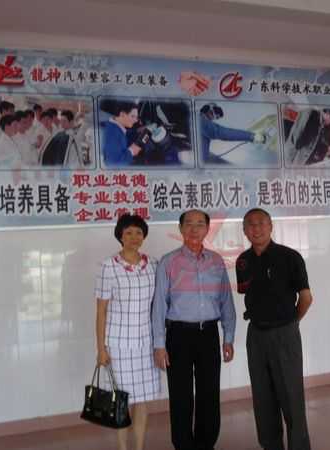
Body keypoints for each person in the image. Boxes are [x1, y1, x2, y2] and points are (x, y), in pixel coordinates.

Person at [152, 209, 236, 450]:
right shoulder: (168, 261)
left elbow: (226, 301)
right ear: (180, 229)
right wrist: (159, 345)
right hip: (178, 335)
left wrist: (228, 337)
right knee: (180, 395)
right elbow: (159, 305)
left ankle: (206, 443)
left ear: (207, 229)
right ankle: (183, 444)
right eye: (188, 224)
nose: (194, 229)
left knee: (209, 393)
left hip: (208, 334)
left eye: (200, 224)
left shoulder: (216, 261)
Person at [235, 208, 313, 450]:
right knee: (262, 396)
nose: (256, 228)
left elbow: (306, 298)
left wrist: (291, 323)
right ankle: (271, 445)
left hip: (284, 333)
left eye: (261, 223)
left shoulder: (290, 257)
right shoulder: (243, 261)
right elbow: (247, 293)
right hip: (256, 335)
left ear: (271, 226)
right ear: (244, 230)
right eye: (250, 224)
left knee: (291, 396)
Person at [95, 214, 161, 450]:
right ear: (120, 236)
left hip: (146, 344)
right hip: (119, 345)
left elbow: (159, 305)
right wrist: (101, 349)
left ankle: (139, 447)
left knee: (142, 401)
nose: (134, 237)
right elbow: (101, 310)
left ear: (144, 236)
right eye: (129, 233)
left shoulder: (153, 265)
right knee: (120, 402)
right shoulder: (108, 266)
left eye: (139, 233)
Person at [199, 103, 265, 164]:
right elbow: (222, 133)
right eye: (212, 114)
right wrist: (251, 136)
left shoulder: (203, 130)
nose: (212, 118)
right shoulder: (201, 121)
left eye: (216, 117)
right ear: (207, 110)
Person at [102, 101, 144, 166]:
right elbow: (113, 164)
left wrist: (137, 131)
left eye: (136, 117)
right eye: (133, 116)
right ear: (122, 114)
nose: (136, 120)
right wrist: (131, 152)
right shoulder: (112, 134)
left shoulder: (114, 126)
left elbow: (124, 135)